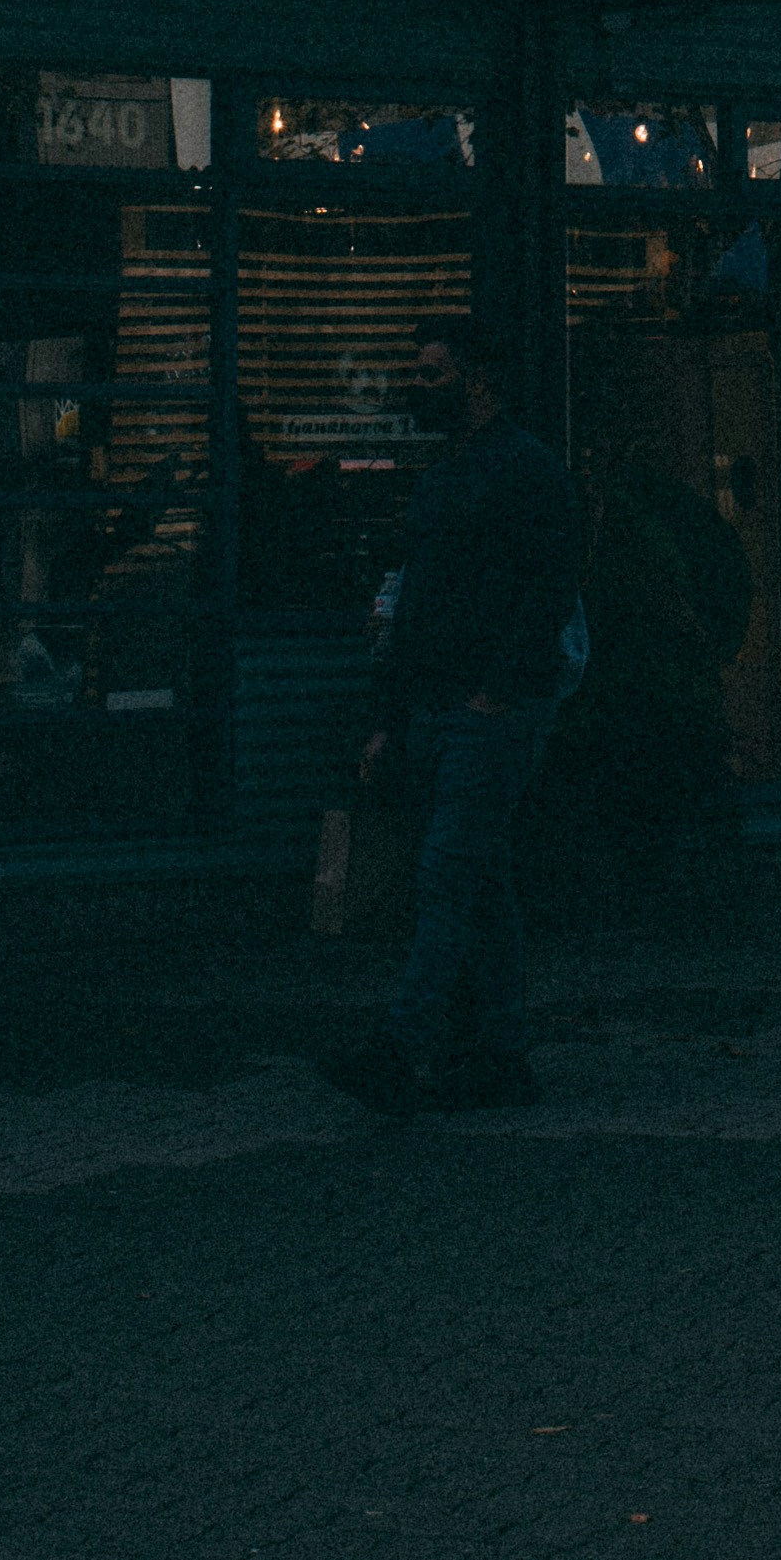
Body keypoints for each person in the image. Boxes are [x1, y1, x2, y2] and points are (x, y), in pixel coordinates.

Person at [321, 319, 583, 1119]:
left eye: (431, 374)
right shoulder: (446, 477)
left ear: (478, 380)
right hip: (448, 706)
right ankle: (500, 1055)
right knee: (480, 879)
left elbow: (550, 586)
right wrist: (389, 717)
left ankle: (403, 1046)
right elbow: (416, 604)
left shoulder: (525, 471)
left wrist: (496, 691)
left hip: (482, 709)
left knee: (447, 876)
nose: (417, 387)